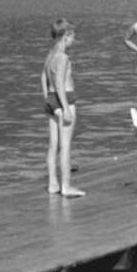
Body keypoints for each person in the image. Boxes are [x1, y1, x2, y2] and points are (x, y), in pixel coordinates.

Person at [41, 20, 85, 198]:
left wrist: (47, 99)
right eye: (73, 36)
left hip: (51, 100)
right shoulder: (63, 58)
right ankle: (66, 186)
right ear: (66, 36)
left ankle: (53, 184)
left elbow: (43, 77)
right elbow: (59, 83)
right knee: (65, 146)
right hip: (63, 98)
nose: (74, 40)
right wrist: (66, 108)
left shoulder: (50, 55)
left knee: (53, 145)